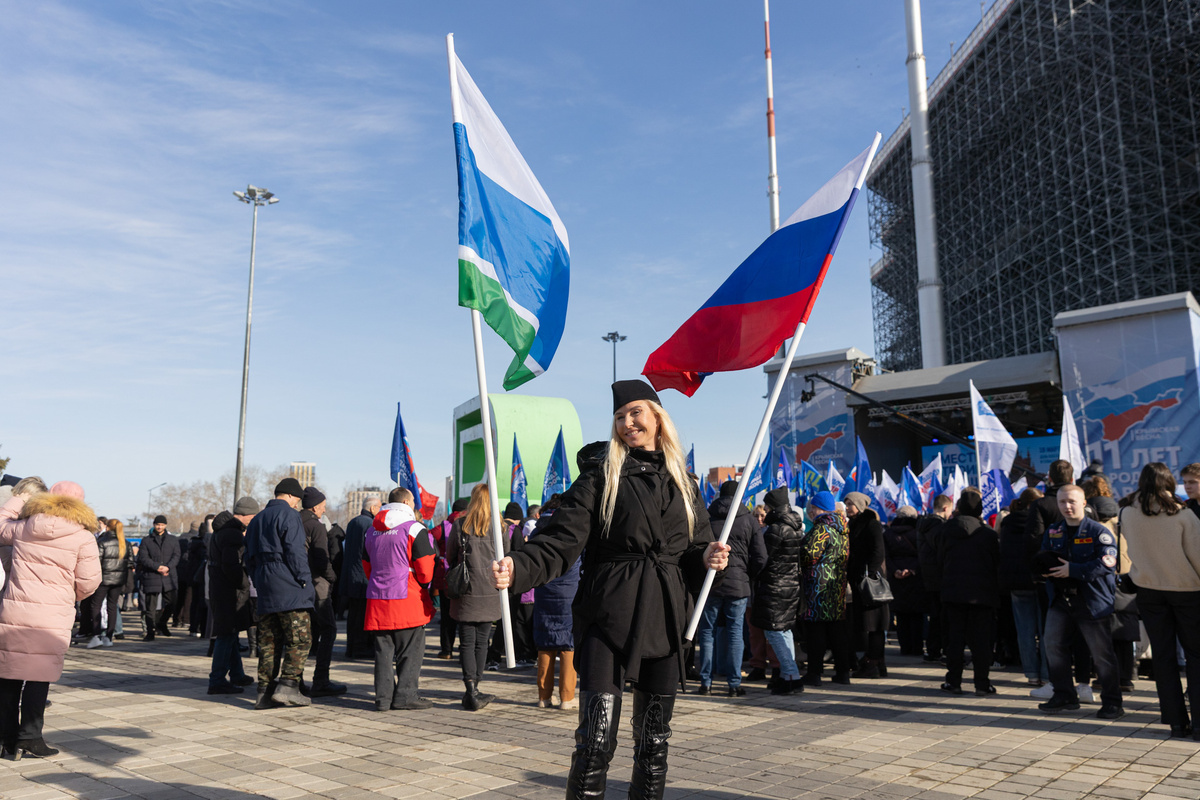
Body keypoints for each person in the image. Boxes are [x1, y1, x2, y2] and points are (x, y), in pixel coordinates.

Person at [492, 380, 729, 800]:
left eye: (635, 412)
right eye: (620, 416)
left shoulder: (686, 483)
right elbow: (560, 540)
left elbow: (692, 550)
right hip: (608, 615)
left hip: (666, 618)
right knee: (595, 742)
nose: (627, 422)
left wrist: (709, 555)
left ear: (657, 416)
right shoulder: (601, 477)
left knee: (655, 744)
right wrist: (520, 565)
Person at [0, 480, 102, 759]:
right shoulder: (83, 537)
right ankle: (29, 738)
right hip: (52, 614)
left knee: (8, 675)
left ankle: (4, 738)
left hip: (15, 609)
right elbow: (90, 581)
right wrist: (69, 595)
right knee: (39, 676)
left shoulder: (24, 527)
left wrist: (19, 498)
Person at [1120, 462, 1200, 738]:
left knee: (1163, 658)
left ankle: (1176, 722)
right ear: (1168, 482)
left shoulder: (1127, 512)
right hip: (1187, 590)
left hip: (1148, 590)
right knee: (1196, 656)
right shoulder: (1182, 514)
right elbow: (1198, 557)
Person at [1036, 484, 1123, 720]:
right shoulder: (1054, 530)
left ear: (1084, 503)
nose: (1066, 506)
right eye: (1062, 502)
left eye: (1072, 501)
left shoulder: (1098, 531)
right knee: (1052, 645)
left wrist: (1071, 569)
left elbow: (1107, 563)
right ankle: (1064, 694)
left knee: (1101, 654)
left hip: (1092, 601)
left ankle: (1113, 702)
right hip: (1061, 600)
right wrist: (1044, 570)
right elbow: (1044, 556)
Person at [364, 488, 436, 711]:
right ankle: (405, 695)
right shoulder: (415, 528)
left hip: (377, 599)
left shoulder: (371, 530)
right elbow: (426, 571)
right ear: (406, 502)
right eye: (413, 500)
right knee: (410, 651)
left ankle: (383, 698)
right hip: (407, 599)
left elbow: (367, 566)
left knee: (383, 653)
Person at [243, 478, 314, 709]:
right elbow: (295, 552)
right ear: (292, 496)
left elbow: (248, 557)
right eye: (298, 499)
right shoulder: (289, 515)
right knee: (300, 638)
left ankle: (264, 692)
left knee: (268, 641)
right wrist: (304, 579)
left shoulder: (256, 520)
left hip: (265, 585)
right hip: (288, 585)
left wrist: (258, 579)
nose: (298, 504)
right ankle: (288, 686)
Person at [696, 480, 765, 697]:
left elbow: (697, 548)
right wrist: (747, 575)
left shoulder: (707, 517)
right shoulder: (748, 520)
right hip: (738, 584)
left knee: (707, 632)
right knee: (736, 633)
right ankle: (734, 684)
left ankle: (705, 682)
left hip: (711, 582)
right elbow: (761, 557)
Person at [446, 483, 510, 711]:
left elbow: (450, 554)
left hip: (466, 589)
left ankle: (470, 687)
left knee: (466, 641)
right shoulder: (500, 528)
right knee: (483, 641)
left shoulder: (460, 525)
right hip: (490, 590)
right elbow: (507, 557)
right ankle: (476, 689)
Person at [936, 491, 999, 695]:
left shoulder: (945, 530)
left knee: (954, 639)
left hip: (953, 592)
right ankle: (982, 683)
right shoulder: (988, 534)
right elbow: (996, 564)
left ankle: (953, 681)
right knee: (981, 641)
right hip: (981, 595)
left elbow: (939, 560)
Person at [749, 486, 805, 695]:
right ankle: (786, 675)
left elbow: (764, 559)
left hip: (775, 586)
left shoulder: (776, 529)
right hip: (790, 585)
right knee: (784, 631)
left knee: (774, 632)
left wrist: (753, 571)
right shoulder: (795, 526)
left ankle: (792, 676)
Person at [530, 496, 580, 709]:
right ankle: (567, 698)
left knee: (545, 641)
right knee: (568, 643)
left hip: (544, 589)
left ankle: (544, 696)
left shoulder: (537, 531)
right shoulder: (574, 528)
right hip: (570, 591)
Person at [207, 498, 259, 695]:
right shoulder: (232, 533)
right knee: (227, 634)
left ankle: (237, 674)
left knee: (230, 633)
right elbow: (231, 565)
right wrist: (244, 584)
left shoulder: (223, 530)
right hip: (229, 591)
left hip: (220, 588)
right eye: (253, 516)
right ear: (245, 515)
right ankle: (217, 679)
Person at [798, 491, 851, 686]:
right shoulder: (841, 528)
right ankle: (843, 672)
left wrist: (799, 551)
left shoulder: (822, 528)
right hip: (836, 585)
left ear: (817, 508)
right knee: (837, 631)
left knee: (816, 632)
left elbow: (809, 554)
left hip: (818, 587)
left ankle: (814, 673)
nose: (810, 512)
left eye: (811, 508)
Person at [999, 488, 1047, 686]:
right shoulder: (1039, 523)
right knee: (1045, 630)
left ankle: (1031, 673)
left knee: (1025, 630)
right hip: (1038, 579)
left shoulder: (1007, 523)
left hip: (1016, 582)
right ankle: (1046, 674)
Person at [300, 487, 345, 697]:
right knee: (328, 629)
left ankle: (295, 679)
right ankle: (321, 680)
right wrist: (333, 577)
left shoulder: (294, 521)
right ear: (316, 506)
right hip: (318, 583)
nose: (324, 510)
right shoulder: (315, 526)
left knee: (301, 633)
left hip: (298, 584)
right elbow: (322, 558)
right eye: (324, 506)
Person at [845, 491, 888, 679]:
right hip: (861, 580)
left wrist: (867, 574)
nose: (847, 508)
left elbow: (878, 551)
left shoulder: (871, 523)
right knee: (868, 624)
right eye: (846, 504)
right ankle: (875, 663)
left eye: (850, 504)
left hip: (870, 582)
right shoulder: (854, 524)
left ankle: (874, 663)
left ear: (860, 505)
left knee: (875, 624)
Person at [340, 496, 379, 661]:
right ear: (372, 508)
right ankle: (361, 649)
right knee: (363, 615)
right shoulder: (370, 525)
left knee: (353, 615)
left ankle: (351, 648)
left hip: (350, 575)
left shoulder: (352, 522)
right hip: (363, 577)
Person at [882, 506, 924, 656]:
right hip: (915, 578)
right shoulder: (918, 532)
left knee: (901, 615)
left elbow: (886, 557)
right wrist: (912, 570)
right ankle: (917, 648)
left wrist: (895, 571)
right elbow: (923, 555)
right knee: (917, 615)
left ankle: (905, 648)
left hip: (897, 578)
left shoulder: (888, 534)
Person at [917, 494, 953, 662]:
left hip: (929, 576)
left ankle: (933, 650)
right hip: (940, 576)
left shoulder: (924, 524)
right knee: (942, 616)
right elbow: (942, 550)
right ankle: (941, 650)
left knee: (936, 615)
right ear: (945, 508)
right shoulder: (937, 526)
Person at [86, 519, 129, 649]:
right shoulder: (125, 543)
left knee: (95, 605)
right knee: (112, 606)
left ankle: (96, 635)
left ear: (108, 528)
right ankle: (109, 637)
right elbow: (131, 562)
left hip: (103, 579)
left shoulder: (102, 542)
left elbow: (96, 561)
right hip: (118, 580)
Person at [137, 514, 180, 641]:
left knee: (172, 603)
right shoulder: (147, 540)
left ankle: (162, 622)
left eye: (161, 525)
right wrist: (157, 567)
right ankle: (150, 632)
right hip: (152, 576)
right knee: (150, 607)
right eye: (157, 524)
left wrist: (167, 567)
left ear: (165, 525)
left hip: (169, 576)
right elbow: (143, 558)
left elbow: (176, 556)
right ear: (154, 525)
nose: (159, 527)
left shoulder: (172, 540)